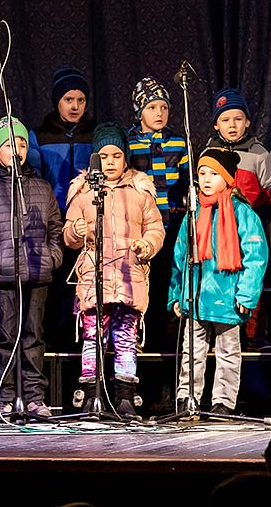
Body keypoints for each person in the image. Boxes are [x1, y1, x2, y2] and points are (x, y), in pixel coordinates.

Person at [63, 122, 165, 419]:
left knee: (125, 337)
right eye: (104, 156)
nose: (110, 162)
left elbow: (155, 228)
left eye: (116, 156)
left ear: (125, 157)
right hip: (94, 275)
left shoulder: (140, 189)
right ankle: (91, 396)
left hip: (128, 275)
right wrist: (76, 231)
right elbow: (68, 233)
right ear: (95, 158)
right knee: (93, 335)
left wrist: (147, 244)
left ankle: (125, 396)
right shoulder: (83, 191)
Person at [0, 115, 64, 418]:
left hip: (36, 275)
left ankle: (35, 397)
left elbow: (55, 229)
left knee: (33, 337)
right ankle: (5, 396)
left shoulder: (40, 186)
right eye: (10, 144)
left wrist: (51, 257)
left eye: (22, 144)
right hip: (2, 278)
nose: (17, 150)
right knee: (4, 338)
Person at [169, 148, 268, 418]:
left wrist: (247, 294)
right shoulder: (193, 213)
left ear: (227, 178)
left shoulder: (242, 213)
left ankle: (223, 403)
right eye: (202, 173)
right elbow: (181, 255)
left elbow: (255, 257)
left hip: (228, 297)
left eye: (214, 174)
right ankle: (187, 398)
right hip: (196, 298)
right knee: (192, 352)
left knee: (227, 353)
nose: (207, 179)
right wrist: (177, 293)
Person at [206, 87, 271, 352]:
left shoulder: (258, 154)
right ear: (217, 124)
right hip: (219, 234)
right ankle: (221, 334)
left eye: (238, 119)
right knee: (221, 281)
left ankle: (253, 336)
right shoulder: (210, 153)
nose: (232, 125)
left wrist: (258, 219)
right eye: (225, 120)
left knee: (251, 281)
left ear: (247, 122)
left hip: (249, 232)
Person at [27, 66, 97, 352]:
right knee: (55, 292)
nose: (75, 106)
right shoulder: (40, 135)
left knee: (85, 291)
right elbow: (34, 177)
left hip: (87, 225)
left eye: (80, 100)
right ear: (57, 101)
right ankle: (54, 353)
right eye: (69, 99)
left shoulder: (95, 134)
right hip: (53, 225)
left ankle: (84, 354)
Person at [126, 76, 190, 357]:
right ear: (140, 111)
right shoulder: (129, 144)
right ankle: (142, 341)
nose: (159, 113)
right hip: (142, 231)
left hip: (173, 226)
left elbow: (189, 180)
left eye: (163, 107)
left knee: (169, 284)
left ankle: (168, 347)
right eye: (152, 108)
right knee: (144, 289)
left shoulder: (178, 143)